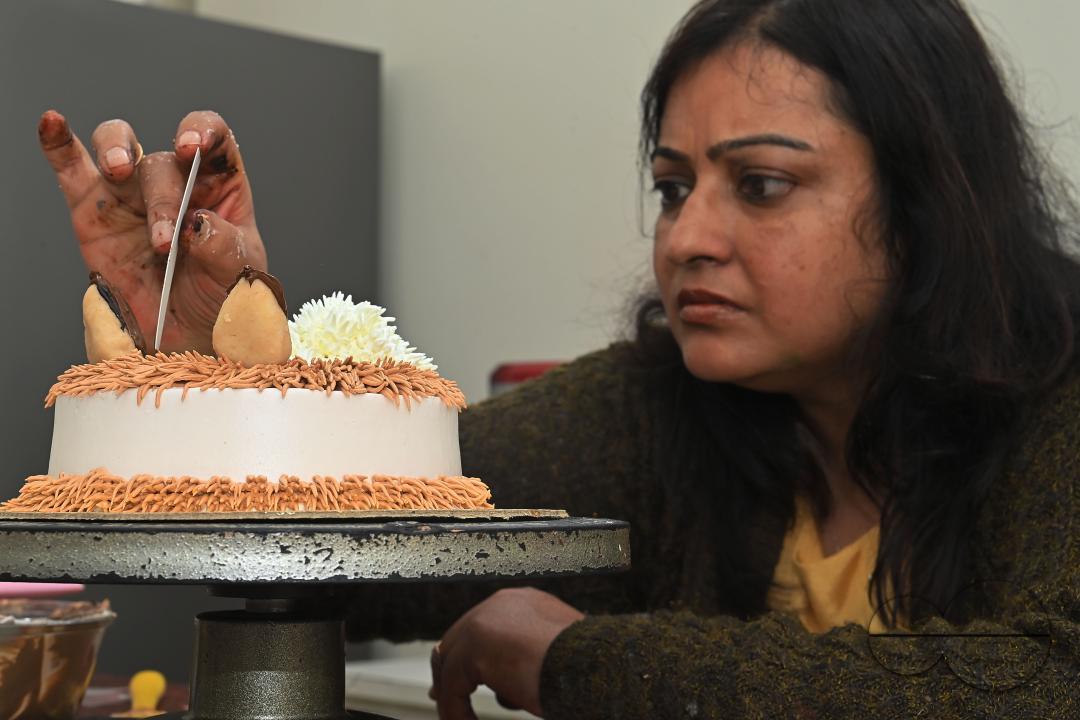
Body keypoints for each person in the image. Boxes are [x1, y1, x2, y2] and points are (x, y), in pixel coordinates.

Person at [37, 0, 1080, 717]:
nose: (686, 239)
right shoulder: (661, 403)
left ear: (927, 201)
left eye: (759, 185)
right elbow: (354, 548)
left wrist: (584, 660)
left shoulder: (1059, 392)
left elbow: (1047, 682)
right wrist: (220, 349)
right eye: (674, 188)